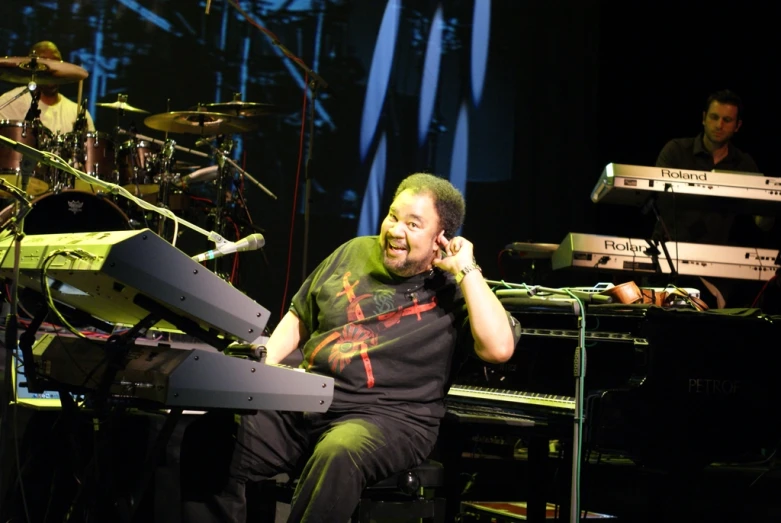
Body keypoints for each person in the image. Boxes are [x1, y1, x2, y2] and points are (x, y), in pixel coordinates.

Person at [181, 173, 522, 522]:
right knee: (210, 437)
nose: (395, 230)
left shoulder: (457, 287)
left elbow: (499, 349)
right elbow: (300, 315)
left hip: (390, 420)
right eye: (393, 216)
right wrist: (262, 365)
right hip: (308, 404)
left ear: (440, 239)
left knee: (340, 452)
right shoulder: (355, 250)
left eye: (413, 224)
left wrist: (467, 268)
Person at [0, 41, 95, 135]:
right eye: (43, 63)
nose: (51, 68)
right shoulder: (9, 102)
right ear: (30, 68)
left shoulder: (77, 113)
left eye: (55, 62)